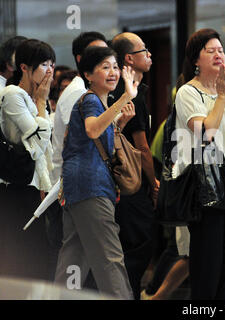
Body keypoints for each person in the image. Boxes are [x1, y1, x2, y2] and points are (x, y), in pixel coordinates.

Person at [175, 28, 225, 299]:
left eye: (221, 50)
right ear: (196, 60)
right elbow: (206, 132)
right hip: (204, 185)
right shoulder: (188, 93)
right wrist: (221, 97)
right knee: (208, 261)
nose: (219, 55)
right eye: (211, 51)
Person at [54, 46, 137, 299]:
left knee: (74, 258)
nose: (112, 72)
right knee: (109, 256)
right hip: (91, 187)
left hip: (77, 187)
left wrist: (118, 122)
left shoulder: (100, 103)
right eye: (105, 67)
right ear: (88, 74)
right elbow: (92, 130)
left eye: (114, 66)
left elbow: (93, 136)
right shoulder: (91, 99)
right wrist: (126, 97)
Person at [46, 32, 108, 283]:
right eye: (100, 57)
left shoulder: (89, 92)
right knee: (84, 257)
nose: (108, 64)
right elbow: (88, 137)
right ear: (82, 61)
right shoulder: (78, 94)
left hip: (85, 183)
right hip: (77, 186)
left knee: (80, 257)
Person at [109, 32, 160, 300]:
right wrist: (153, 183)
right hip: (131, 184)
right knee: (137, 248)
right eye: (144, 50)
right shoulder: (131, 95)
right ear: (129, 58)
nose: (149, 55)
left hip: (118, 184)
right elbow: (142, 149)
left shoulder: (124, 90)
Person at [0, 39, 55, 280]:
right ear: (24, 67)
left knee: (42, 260)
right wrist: (42, 103)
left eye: (52, 63)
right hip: (16, 189)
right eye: (43, 64)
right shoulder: (13, 95)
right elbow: (35, 144)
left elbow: (47, 148)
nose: (50, 70)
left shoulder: (37, 98)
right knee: (26, 261)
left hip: (36, 189)